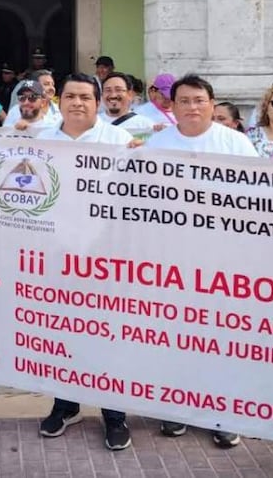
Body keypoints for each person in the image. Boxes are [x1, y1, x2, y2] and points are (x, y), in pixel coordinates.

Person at [142, 74, 252, 448]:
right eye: (184, 100)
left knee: (222, 335)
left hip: (224, 258)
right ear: (171, 106)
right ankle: (177, 409)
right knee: (176, 335)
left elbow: (258, 196)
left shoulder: (236, 143)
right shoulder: (158, 144)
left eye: (199, 100)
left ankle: (224, 413)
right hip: (173, 258)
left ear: (212, 103)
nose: (192, 107)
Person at [36, 73, 134, 451]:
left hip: (106, 255)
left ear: (97, 103)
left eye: (85, 97)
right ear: (58, 99)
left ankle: (114, 413)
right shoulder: (43, 141)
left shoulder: (120, 141)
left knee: (109, 333)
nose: (77, 103)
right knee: (63, 332)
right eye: (70, 96)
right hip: (57, 254)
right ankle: (65, 404)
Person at [101, 72, 156, 138]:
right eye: (108, 90)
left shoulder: (146, 125)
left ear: (130, 94)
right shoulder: (92, 123)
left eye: (118, 90)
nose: (113, 95)